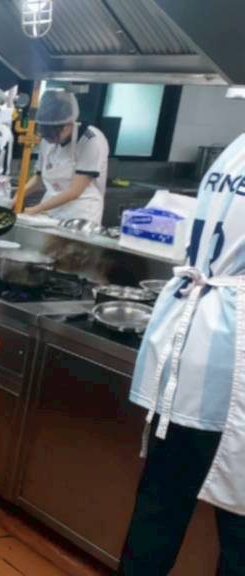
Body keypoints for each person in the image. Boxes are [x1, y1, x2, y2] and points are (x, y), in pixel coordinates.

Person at [119, 132, 245, 574]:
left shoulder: (235, 150)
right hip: (233, 365)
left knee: (159, 508)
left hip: (191, 354)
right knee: (240, 537)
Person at [19, 90, 109, 222]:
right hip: (51, 209)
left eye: (53, 135)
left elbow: (75, 191)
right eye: (46, 135)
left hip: (81, 213)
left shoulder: (91, 140)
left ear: (68, 125)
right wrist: (16, 199)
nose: (50, 141)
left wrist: (36, 209)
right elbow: (38, 179)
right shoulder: (47, 138)